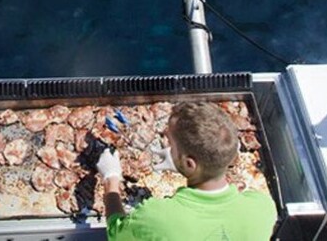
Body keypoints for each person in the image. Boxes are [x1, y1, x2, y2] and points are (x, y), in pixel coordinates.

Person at [96, 101, 278, 240]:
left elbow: (115, 233)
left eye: (171, 145)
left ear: (191, 164)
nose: (167, 147)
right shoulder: (263, 207)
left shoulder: (155, 217)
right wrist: (185, 168)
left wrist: (111, 178)